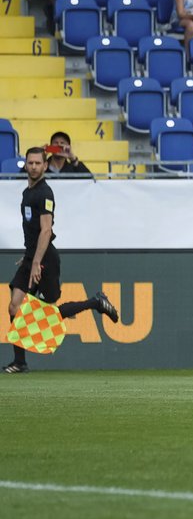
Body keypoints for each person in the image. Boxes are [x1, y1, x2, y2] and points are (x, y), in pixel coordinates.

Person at [5, 148, 118, 374]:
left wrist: (37, 261)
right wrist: (29, 255)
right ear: (25, 165)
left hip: (45, 260)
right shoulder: (27, 193)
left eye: (38, 163)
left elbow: (46, 231)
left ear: (45, 166)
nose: (34, 166)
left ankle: (96, 302)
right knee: (14, 306)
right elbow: (33, 231)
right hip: (32, 256)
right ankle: (19, 362)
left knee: (50, 313)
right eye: (31, 163)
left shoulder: (45, 193)